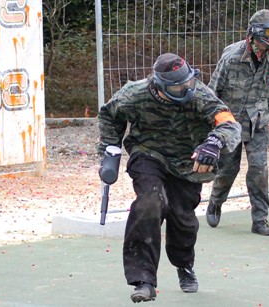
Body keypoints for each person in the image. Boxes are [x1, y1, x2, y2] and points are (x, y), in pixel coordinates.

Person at [98, 53, 241, 303]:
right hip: (148, 155)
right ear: (160, 85)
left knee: (183, 221)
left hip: (188, 162)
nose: (186, 88)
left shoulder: (199, 93)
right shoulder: (134, 94)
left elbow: (228, 122)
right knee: (149, 203)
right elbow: (109, 115)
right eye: (179, 86)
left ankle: (184, 265)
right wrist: (111, 148)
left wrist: (214, 143)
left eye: (188, 82)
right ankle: (143, 280)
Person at [204, 9, 269, 236]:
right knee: (228, 169)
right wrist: (211, 122)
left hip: (258, 120)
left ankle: (260, 219)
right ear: (256, 33)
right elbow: (212, 91)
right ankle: (215, 201)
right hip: (231, 122)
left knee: (259, 169)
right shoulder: (231, 57)